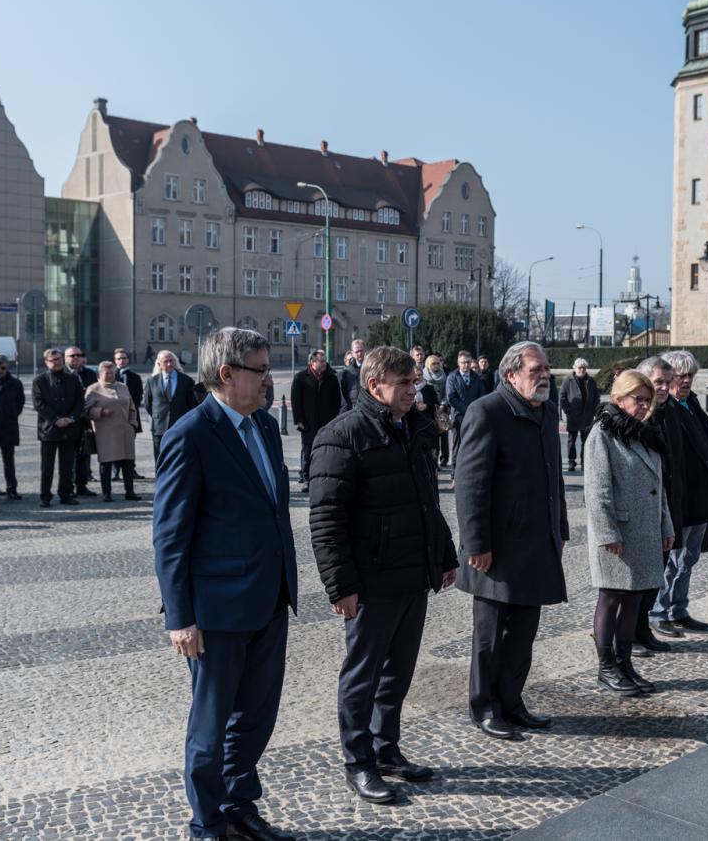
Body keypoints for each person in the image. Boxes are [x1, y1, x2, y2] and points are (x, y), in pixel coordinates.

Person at [152, 327, 298, 841]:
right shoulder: (190, 435)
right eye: (261, 370)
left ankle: (238, 805)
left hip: (269, 597)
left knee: (256, 717)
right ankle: (207, 822)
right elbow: (170, 536)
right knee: (211, 727)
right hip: (216, 611)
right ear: (227, 374)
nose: (269, 380)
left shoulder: (265, 426)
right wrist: (180, 618)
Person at [309, 345, 458, 805]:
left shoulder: (412, 427)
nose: (414, 390)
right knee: (363, 675)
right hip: (371, 582)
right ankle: (358, 761)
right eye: (405, 383)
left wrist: (444, 555)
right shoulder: (342, 435)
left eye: (415, 382)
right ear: (375, 386)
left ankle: (385, 747)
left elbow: (427, 501)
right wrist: (340, 586)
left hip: (413, 574)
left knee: (398, 672)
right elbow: (327, 519)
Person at [454, 341, 568, 741]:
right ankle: (484, 707)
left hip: (536, 543)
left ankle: (512, 702)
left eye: (547, 368)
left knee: (523, 634)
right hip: (496, 550)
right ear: (511, 375)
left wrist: (560, 528)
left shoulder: (547, 410)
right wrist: (476, 544)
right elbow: (470, 485)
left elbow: (554, 477)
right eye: (536, 370)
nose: (545, 375)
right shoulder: (486, 411)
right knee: (490, 637)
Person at [585, 370, 673, 696]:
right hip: (618, 534)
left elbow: (658, 487)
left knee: (634, 598)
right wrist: (608, 533)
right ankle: (606, 667)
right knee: (611, 597)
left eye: (648, 401)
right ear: (619, 398)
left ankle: (624, 663)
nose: (644, 406)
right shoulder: (602, 434)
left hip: (644, 530)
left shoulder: (643, 434)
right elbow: (597, 490)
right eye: (639, 399)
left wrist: (666, 525)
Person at [652, 351, 708, 636]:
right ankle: (658, 612)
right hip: (681, 500)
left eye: (690, 375)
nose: (686, 381)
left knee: (689, 558)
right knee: (671, 560)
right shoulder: (665, 409)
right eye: (680, 376)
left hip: (701, 498)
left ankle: (678, 608)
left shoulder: (690, 403)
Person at [629, 356, 685, 656]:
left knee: (655, 576)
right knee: (636, 582)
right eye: (658, 382)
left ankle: (642, 630)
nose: (664, 387)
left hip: (665, 507)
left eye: (667, 381)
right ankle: (626, 635)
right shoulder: (638, 416)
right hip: (641, 511)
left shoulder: (669, 411)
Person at [33, 347, 85, 508]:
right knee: (47, 466)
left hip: (69, 427)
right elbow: (39, 404)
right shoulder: (40, 380)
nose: (57, 362)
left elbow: (80, 401)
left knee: (67, 465)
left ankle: (65, 494)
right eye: (53, 360)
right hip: (49, 429)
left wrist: (71, 418)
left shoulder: (73, 378)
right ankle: (45, 496)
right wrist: (56, 420)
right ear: (46, 362)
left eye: (59, 359)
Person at [85, 360, 139, 502]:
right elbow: (85, 411)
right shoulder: (94, 389)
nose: (110, 375)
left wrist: (133, 424)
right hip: (105, 432)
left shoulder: (123, 387)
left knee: (128, 463)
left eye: (112, 372)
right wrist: (100, 412)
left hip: (125, 431)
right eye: (106, 373)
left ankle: (130, 492)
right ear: (100, 374)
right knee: (106, 463)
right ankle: (107, 493)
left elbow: (132, 407)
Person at [290, 349, 342, 491]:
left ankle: (324, 477)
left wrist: (334, 419)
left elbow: (337, 400)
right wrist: (298, 420)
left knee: (326, 449)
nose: (324, 364)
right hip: (308, 422)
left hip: (327, 422)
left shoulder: (331, 378)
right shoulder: (301, 378)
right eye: (321, 361)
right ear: (312, 362)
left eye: (325, 361)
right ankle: (307, 478)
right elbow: (295, 401)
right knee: (308, 450)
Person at [146, 349, 202, 468]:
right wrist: (158, 417)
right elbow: (148, 404)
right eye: (166, 361)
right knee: (160, 459)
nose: (169, 364)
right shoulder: (152, 382)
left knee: (180, 457)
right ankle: (161, 478)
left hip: (180, 426)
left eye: (171, 361)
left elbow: (192, 404)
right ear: (159, 364)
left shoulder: (186, 381)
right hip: (159, 427)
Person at [0, 355, 25, 500]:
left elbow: (20, 403)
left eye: (3, 368)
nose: (0, 371)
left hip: (8, 426)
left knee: (9, 460)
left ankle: (12, 488)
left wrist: (11, 413)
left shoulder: (15, 383)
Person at [445, 350, 488, 466]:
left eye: (468, 362)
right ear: (458, 363)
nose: (466, 365)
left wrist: (475, 410)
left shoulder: (477, 378)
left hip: (474, 416)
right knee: (457, 445)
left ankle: (470, 469)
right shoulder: (452, 377)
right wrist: (467, 409)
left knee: (473, 443)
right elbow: (451, 398)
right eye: (463, 362)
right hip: (458, 416)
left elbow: (482, 395)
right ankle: (455, 472)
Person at [559, 358, 600, 473]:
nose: (582, 370)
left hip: (587, 416)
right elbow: (562, 397)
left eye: (584, 368)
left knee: (586, 441)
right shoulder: (568, 380)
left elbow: (596, 397)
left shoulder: (591, 381)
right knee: (571, 440)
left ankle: (585, 462)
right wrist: (568, 410)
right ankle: (571, 462)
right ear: (575, 368)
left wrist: (594, 411)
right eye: (580, 367)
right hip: (573, 415)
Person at [66, 347, 97, 496]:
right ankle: (68, 486)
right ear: (66, 358)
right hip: (68, 420)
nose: (76, 358)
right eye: (72, 355)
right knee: (68, 456)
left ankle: (82, 485)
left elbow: (95, 393)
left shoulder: (89, 374)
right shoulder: (63, 374)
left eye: (79, 355)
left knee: (84, 454)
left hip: (85, 420)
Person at [114, 347, 146, 481]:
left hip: (130, 416)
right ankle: (115, 471)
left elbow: (138, 396)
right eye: (119, 358)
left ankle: (130, 469)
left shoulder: (135, 377)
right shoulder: (111, 376)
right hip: (114, 416)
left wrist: (129, 409)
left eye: (124, 358)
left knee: (129, 445)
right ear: (115, 360)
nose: (121, 361)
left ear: (128, 359)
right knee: (115, 444)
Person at [421, 355, 451, 467]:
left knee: (444, 433)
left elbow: (447, 392)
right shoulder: (423, 375)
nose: (436, 365)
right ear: (428, 364)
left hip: (442, 409)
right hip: (429, 410)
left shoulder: (444, 375)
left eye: (438, 363)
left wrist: (443, 404)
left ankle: (444, 458)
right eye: (433, 363)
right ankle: (433, 460)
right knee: (433, 438)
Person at [338, 339, 366, 412]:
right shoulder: (347, 372)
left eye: (361, 350)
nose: (359, 353)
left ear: (365, 350)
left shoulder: (371, 368)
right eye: (357, 351)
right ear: (353, 353)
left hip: (368, 408)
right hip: (353, 409)